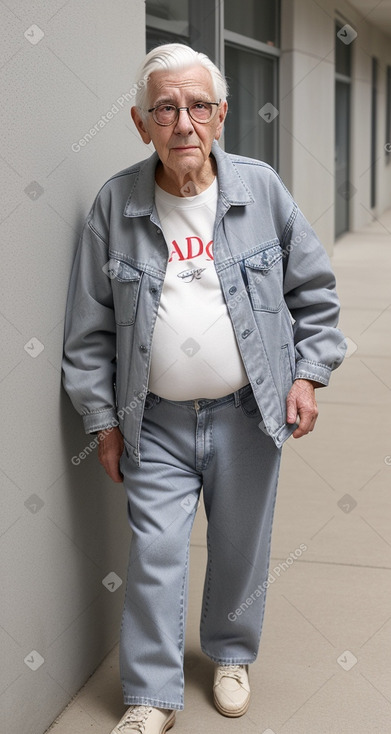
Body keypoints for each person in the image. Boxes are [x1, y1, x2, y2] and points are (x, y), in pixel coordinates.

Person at [62, 43, 346, 734]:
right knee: (156, 550)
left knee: (240, 543)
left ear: (220, 116)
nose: (181, 122)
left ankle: (228, 653)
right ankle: (152, 694)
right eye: (165, 107)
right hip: (151, 420)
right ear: (141, 124)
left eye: (196, 106)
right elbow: (88, 329)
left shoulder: (260, 190)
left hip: (247, 411)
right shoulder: (115, 204)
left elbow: (313, 291)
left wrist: (307, 374)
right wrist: (103, 422)